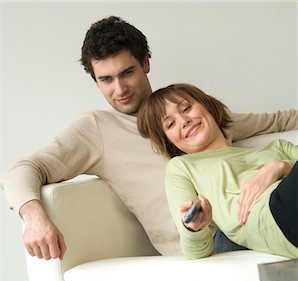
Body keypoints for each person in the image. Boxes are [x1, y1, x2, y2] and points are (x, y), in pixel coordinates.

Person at [1, 16, 298, 261]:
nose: (120, 89)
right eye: (106, 79)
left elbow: (279, 120)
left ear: (145, 63)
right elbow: (22, 170)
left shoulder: (195, 118)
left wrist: (278, 165)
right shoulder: (97, 129)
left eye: (127, 72)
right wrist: (34, 218)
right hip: (214, 242)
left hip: (255, 219)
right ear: (95, 81)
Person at [137, 83, 298, 259]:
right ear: (169, 141)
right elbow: (196, 253)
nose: (184, 121)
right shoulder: (181, 167)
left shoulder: (279, 148)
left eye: (186, 108)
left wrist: (279, 166)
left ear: (207, 105)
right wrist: (195, 227)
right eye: (171, 124)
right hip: (274, 216)